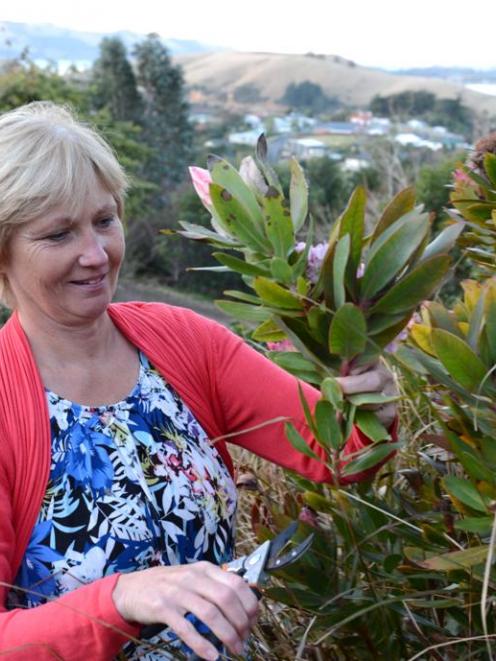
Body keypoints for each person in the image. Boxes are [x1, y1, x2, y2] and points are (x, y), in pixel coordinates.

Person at [0, 102, 396, 661]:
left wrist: (368, 400)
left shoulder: (184, 341)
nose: (96, 254)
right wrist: (121, 598)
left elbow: (338, 453)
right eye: (58, 234)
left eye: (105, 221)